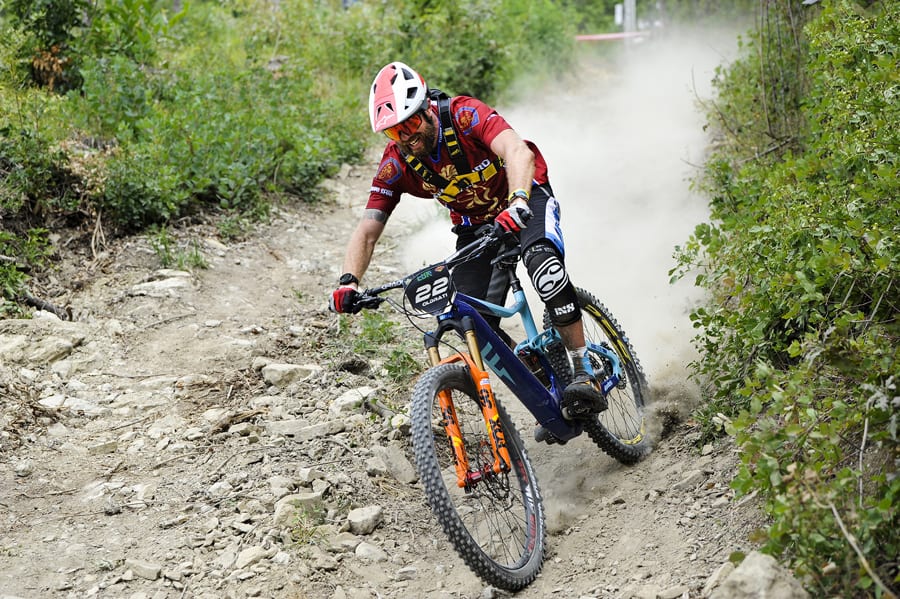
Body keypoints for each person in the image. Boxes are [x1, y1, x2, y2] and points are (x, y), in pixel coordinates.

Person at [328, 61, 605, 422]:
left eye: (411, 124)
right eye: (395, 133)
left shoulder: (464, 115)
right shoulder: (397, 163)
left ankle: (585, 370)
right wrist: (349, 281)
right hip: (476, 229)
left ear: (426, 107)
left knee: (544, 268)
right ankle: (542, 386)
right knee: (471, 321)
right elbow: (367, 229)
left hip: (525, 198)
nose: (407, 137)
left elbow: (518, 151)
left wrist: (518, 200)